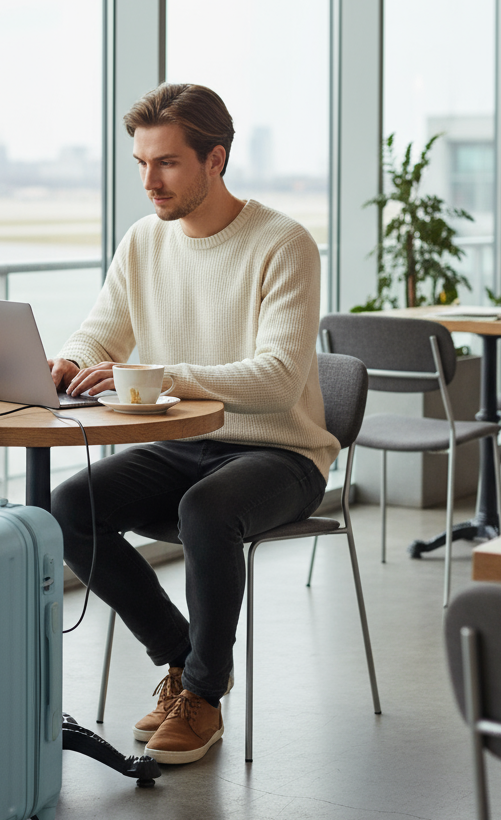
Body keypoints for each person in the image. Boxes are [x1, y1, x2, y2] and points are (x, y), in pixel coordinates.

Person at [48, 83, 338, 764]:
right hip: (189, 443)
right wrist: (69, 363)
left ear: (216, 160)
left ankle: (204, 697)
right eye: (141, 163)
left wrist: (170, 376)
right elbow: (103, 333)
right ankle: (182, 658)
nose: (149, 181)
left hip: (283, 453)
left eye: (167, 163)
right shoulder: (144, 242)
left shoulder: (283, 244)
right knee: (68, 506)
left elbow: (275, 382)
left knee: (205, 510)